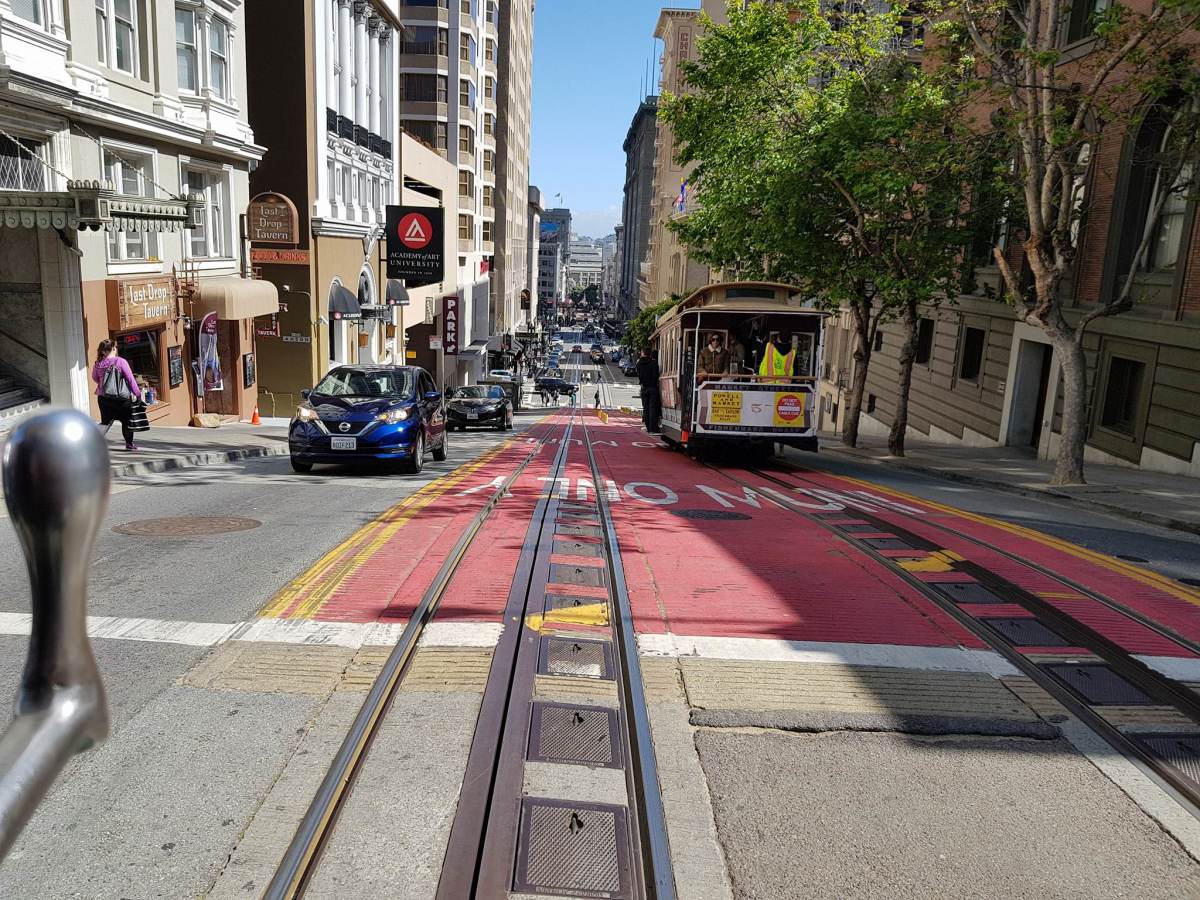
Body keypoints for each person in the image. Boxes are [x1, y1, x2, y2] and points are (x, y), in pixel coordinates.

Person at [92, 339, 144, 451]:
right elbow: (130, 379)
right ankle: (129, 444)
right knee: (126, 421)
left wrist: (105, 385)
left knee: (105, 422)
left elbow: (95, 378)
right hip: (121, 398)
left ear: (103, 351)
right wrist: (138, 395)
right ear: (114, 349)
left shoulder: (98, 363)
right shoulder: (120, 361)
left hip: (103, 397)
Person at [635, 346, 661, 433]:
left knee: (645, 408)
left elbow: (638, 375)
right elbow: (656, 375)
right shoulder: (653, 363)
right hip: (652, 387)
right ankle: (652, 427)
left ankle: (647, 426)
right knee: (652, 407)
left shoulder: (638, 364)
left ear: (643, 353)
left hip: (644, 387)